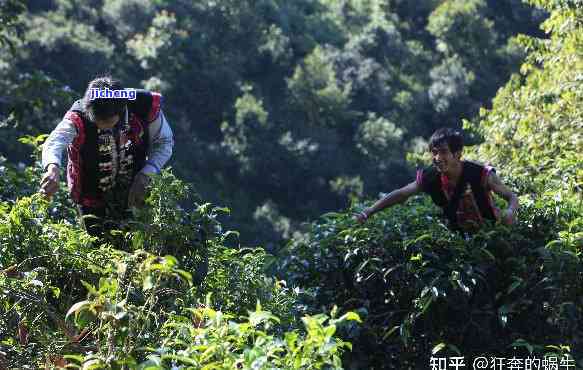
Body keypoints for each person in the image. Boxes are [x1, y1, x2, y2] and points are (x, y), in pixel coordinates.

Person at [39, 76, 174, 237]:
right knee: (96, 246)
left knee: (138, 245)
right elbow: (55, 141)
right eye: (97, 122)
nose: (103, 127)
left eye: (109, 122)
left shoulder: (144, 105)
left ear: (122, 108)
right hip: (89, 190)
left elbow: (164, 142)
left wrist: (146, 174)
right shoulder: (77, 116)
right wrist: (52, 168)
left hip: (135, 188)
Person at [355, 128, 518, 231]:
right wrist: (369, 211)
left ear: (457, 153)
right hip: (459, 241)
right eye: (434, 152)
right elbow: (401, 194)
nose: (437, 158)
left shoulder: (480, 173)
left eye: (443, 152)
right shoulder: (430, 177)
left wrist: (510, 212)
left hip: (493, 233)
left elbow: (511, 197)